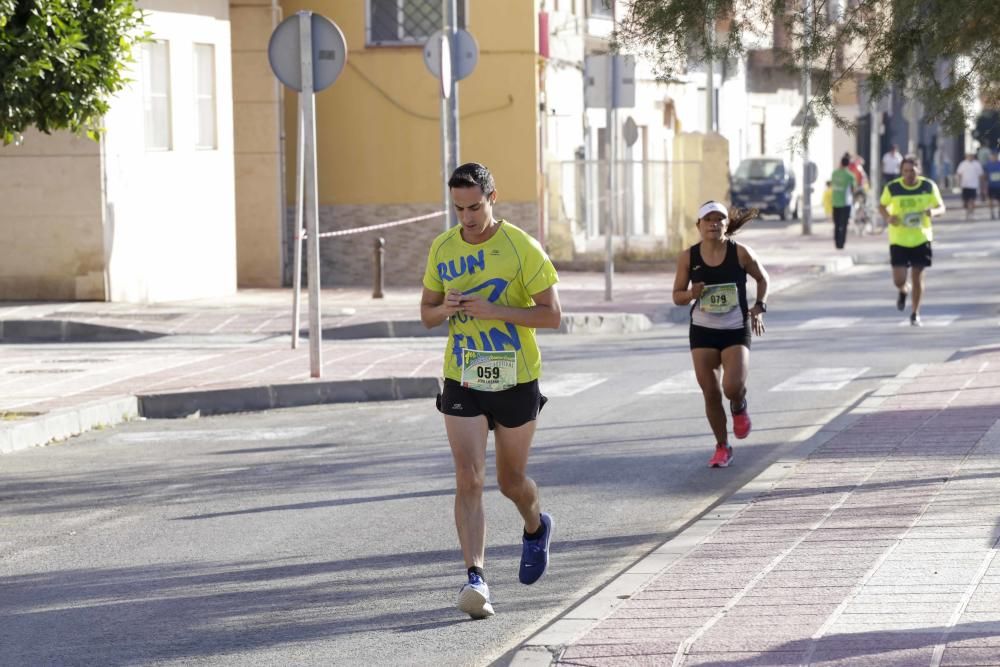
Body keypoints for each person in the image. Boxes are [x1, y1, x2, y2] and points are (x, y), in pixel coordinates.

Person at [420, 162, 561, 620]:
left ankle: (536, 526)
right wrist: (447, 306)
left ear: (492, 198)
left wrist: (496, 310)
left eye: (475, 207)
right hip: (463, 375)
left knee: (510, 482)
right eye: (458, 208)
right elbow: (425, 314)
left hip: (515, 377)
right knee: (468, 476)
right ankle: (475, 578)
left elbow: (551, 315)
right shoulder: (442, 248)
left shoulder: (521, 247)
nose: (467, 218)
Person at [672, 201, 770, 468]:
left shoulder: (740, 253)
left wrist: (759, 307)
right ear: (699, 226)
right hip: (702, 331)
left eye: (719, 220)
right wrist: (691, 294)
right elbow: (677, 296)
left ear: (727, 225)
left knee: (731, 387)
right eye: (708, 220)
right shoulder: (688, 257)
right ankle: (722, 446)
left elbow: (762, 279)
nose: (713, 224)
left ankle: (739, 405)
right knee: (711, 392)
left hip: (734, 328)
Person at [878, 157, 946, 326]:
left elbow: (942, 207)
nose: (908, 175)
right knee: (899, 279)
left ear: (918, 170)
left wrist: (933, 212)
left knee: (918, 277)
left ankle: (915, 313)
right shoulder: (893, 187)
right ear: (901, 172)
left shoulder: (928, 186)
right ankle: (903, 290)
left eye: (912, 171)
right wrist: (888, 217)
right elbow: (881, 205)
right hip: (898, 239)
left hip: (921, 237)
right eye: (905, 171)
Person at [831, 156, 856, 249]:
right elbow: (853, 188)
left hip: (835, 202)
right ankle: (842, 243)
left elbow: (833, 184)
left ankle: (837, 243)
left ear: (840, 163)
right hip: (846, 203)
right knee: (844, 224)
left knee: (836, 224)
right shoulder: (850, 175)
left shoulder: (834, 173)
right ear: (848, 164)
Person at [955, 152, 985, 219]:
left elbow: (981, 175)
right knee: (965, 201)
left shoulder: (977, 164)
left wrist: (982, 185)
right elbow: (959, 174)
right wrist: (958, 183)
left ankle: (971, 214)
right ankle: (967, 212)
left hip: (974, 185)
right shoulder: (963, 164)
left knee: (972, 200)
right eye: (968, 156)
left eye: (971, 156)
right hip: (965, 185)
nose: (970, 157)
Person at [984, 150, 1000, 220]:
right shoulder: (988, 165)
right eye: (993, 156)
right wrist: (984, 186)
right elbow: (985, 175)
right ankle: (992, 213)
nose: (994, 157)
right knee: (990, 200)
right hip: (991, 185)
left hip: (999, 185)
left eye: (995, 156)